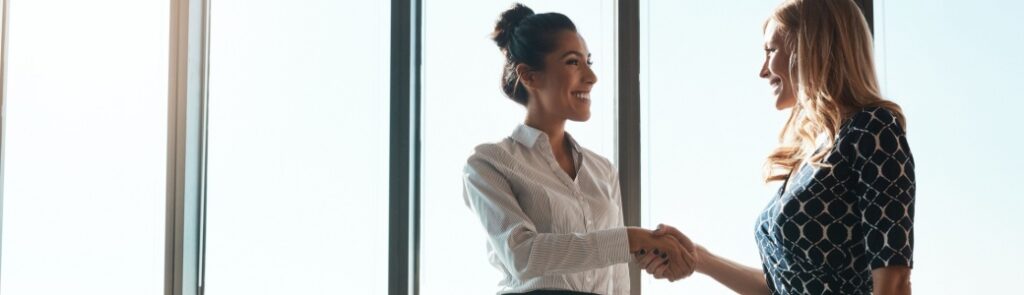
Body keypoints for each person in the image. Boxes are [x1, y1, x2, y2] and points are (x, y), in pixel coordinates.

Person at [642, 0, 915, 294]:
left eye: (770, 51)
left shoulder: (873, 128)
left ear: (811, 47)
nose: (762, 70)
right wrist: (700, 259)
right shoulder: (814, 154)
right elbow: (779, 288)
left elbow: (893, 281)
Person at [463, 3, 696, 294]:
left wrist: (641, 245)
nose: (591, 77)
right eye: (573, 62)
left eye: (589, 62)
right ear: (529, 76)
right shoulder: (489, 163)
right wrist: (631, 239)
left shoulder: (602, 171)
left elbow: (618, 281)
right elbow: (522, 256)